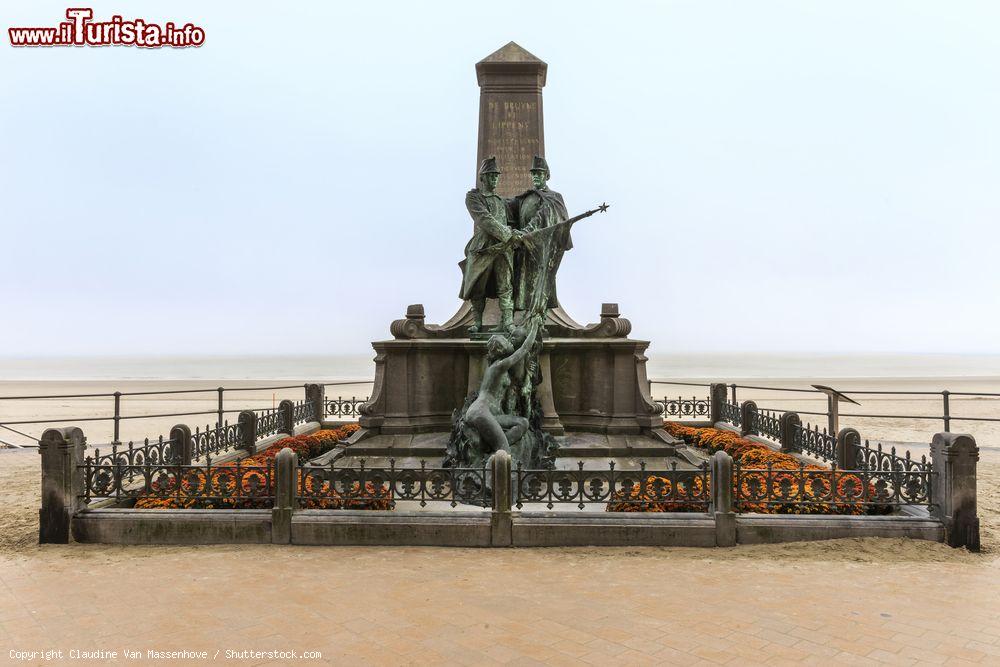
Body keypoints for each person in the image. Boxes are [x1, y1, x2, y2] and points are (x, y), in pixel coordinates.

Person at [458, 157, 528, 334]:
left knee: (506, 286)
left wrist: (518, 233)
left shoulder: (502, 202)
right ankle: (477, 322)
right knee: (477, 287)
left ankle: (508, 323)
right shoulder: (473, 197)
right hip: (483, 248)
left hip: (503, 249)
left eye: (496, 176)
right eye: (490, 176)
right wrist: (507, 234)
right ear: (482, 178)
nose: (494, 179)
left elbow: (513, 223)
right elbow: (484, 219)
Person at [462, 312, 543, 454]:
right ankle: (497, 464)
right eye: (506, 341)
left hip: (490, 413)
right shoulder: (499, 366)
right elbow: (524, 349)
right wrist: (535, 326)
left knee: (522, 423)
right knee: (504, 451)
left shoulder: (498, 366)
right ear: (500, 349)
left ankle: (488, 447)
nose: (509, 341)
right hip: (481, 412)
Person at [509, 156, 573, 312]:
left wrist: (527, 231)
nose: (536, 176)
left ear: (547, 175)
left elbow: (545, 216)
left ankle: (539, 318)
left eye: (540, 173)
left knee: (541, 284)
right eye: (534, 174)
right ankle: (526, 319)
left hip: (544, 249)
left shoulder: (555, 197)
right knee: (523, 283)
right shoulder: (525, 198)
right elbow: (512, 216)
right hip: (525, 247)